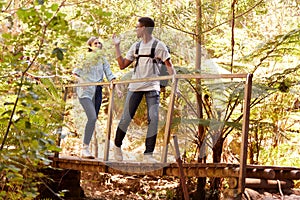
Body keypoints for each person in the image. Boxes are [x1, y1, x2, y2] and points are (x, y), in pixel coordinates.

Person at [112, 17, 176, 162]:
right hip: (135, 87)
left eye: (137, 27)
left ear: (145, 28)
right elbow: (122, 65)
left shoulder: (159, 46)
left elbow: (169, 66)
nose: (136, 29)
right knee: (126, 117)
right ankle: (117, 146)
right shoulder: (135, 46)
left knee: (153, 118)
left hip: (152, 87)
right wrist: (117, 46)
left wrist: (175, 85)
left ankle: (148, 154)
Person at [73, 36, 121, 159]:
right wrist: (82, 81)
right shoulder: (85, 58)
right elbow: (75, 73)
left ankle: (86, 147)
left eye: (100, 43)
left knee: (93, 119)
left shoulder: (103, 59)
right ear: (90, 45)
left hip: (97, 91)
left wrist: (117, 89)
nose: (98, 45)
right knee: (92, 117)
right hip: (85, 92)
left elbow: (110, 74)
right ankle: (84, 148)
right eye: (95, 43)